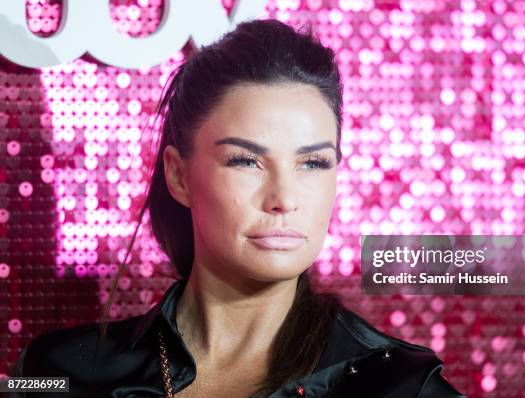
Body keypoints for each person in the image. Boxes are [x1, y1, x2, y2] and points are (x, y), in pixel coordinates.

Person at [9, 18, 465, 397]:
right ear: (179, 175)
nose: (283, 199)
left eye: (313, 163)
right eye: (245, 160)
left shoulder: (400, 387)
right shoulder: (55, 375)